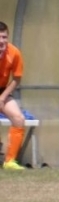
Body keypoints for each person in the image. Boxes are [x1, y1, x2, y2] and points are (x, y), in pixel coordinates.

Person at [0, 22, 26, 171]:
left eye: (4, 37)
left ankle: (10, 161)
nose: (1, 41)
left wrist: (2, 98)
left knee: (19, 118)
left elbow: (17, 78)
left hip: (3, 91)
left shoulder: (14, 52)